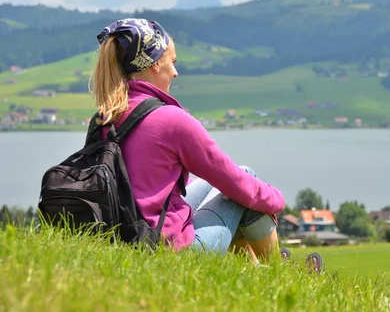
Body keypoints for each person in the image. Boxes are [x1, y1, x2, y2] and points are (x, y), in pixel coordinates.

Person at [90, 18, 284, 264]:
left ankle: (254, 272)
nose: (175, 72)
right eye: (172, 62)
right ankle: (277, 270)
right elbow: (235, 181)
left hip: (126, 237)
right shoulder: (170, 120)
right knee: (248, 181)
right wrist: (277, 200)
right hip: (170, 253)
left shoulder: (106, 116)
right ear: (155, 65)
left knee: (224, 187)